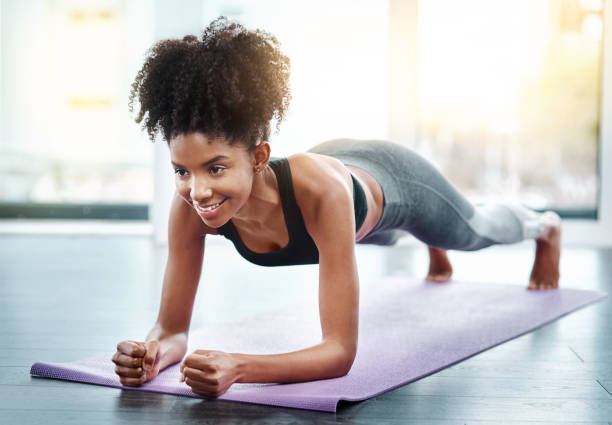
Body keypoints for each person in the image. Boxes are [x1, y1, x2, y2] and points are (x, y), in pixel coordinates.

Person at [112, 16, 562, 398]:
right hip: (344, 184)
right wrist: (150, 354)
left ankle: (543, 227)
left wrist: (239, 367)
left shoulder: (321, 193)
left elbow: (339, 352)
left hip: (396, 180)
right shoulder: (189, 205)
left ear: (259, 157)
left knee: (473, 231)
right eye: (182, 171)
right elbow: (172, 332)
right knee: (369, 236)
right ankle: (432, 245)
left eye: (214, 169)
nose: (197, 191)